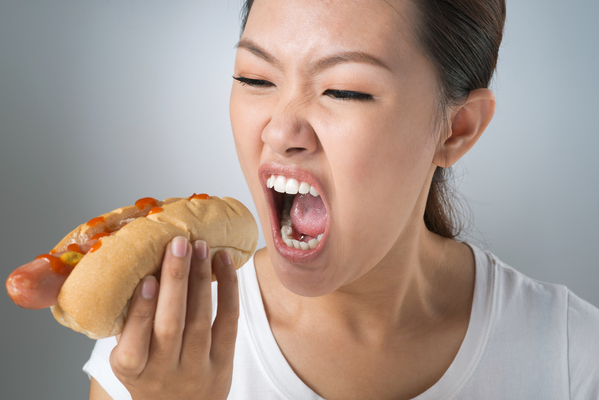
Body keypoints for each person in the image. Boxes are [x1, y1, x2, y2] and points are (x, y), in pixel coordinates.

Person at [85, 0, 599, 399]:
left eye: (345, 91)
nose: (281, 130)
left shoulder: (575, 356)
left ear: (456, 129)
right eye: (255, 78)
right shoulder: (150, 343)